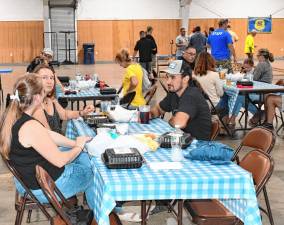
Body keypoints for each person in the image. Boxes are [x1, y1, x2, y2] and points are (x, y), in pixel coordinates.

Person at [0, 74, 94, 206]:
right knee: (95, 172)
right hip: (44, 188)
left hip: (26, 181)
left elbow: (48, 135)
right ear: (37, 98)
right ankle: (99, 216)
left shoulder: (13, 116)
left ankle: (81, 210)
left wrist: (75, 143)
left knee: (83, 155)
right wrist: (78, 146)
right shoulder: (30, 126)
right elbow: (60, 161)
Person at [150, 60, 212, 140]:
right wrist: (148, 114)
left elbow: (179, 123)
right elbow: (158, 110)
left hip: (197, 145)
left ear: (185, 79)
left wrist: (171, 120)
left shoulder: (191, 95)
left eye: (173, 77)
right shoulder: (174, 93)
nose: (168, 81)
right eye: (167, 76)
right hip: (182, 139)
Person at [32, 64, 95, 134]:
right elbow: (48, 135)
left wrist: (82, 112)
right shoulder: (35, 105)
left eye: (51, 78)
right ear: (35, 80)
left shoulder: (50, 100)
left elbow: (64, 114)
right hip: (50, 142)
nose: (49, 81)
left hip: (57, 139)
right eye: (44, 77)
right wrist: (75, 144)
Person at [226, 49, 274, 126]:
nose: (257, 58)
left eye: (258, 56)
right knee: (240, 97)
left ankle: (233, 118)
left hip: (262, 92)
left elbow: (254, 79)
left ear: (262, 56)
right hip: (263, 91)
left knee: (240, 97)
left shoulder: (261, 64)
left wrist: (243, 75)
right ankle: (258, 113)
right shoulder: (267, 64)